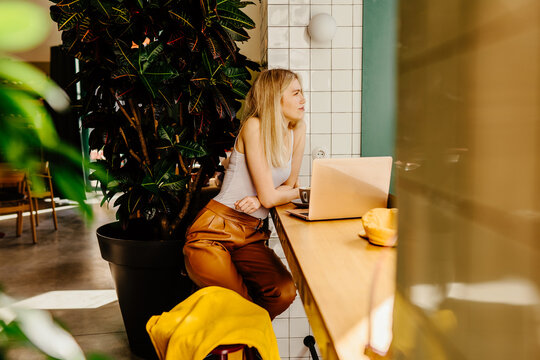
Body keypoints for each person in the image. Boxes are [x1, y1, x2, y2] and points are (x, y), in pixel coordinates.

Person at [183, 69, 306, 319]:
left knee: (283, 292)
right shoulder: (255, 126)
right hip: (213, 232)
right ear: (275, 97)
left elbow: (290, 185)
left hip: (251, 233)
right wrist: (270, 197)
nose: (303, 99)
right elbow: (282, 194)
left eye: (301, 92)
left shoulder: (297, 131)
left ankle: (245, 344)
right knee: (240, 308)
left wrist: (267, 197)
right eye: (296, 93)